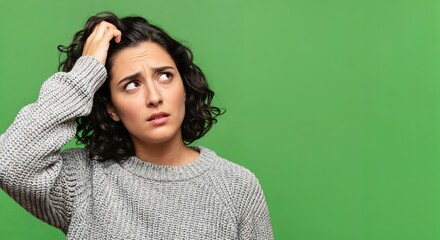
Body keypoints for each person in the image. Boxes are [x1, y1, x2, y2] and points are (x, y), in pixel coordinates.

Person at [0, 12, 273, 239]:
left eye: (165, 76)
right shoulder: (84, 180)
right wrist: (86, 71)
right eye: (132, 85)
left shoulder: (236, 186)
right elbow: (10, 162)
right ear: (111, 108)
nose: (154, 97)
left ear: (185, 87)